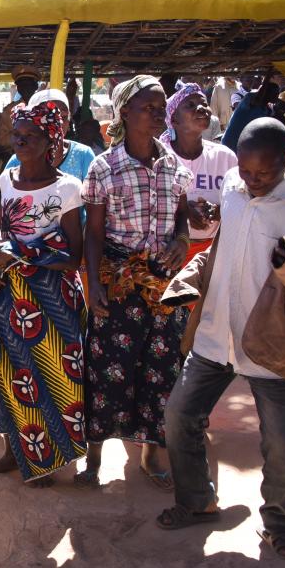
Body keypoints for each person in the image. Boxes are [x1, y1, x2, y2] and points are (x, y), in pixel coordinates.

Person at [157, 119, 285, 560]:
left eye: (262, 173)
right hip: (215, 333)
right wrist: (190, 278)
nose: (251, 180)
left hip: (273, 345)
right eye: (245, 170)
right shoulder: (233, 184)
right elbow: (222, 251)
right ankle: (196, 500)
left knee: (279, 445)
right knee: (179, 416)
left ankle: (278, 523)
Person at [79, 75, 193, 489]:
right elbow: (93, 233)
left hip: (163, 281)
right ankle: (95, 455)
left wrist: (181, 238)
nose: (158, 114)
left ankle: (150, 452)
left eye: (162, 107)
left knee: (162, 368)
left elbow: (181, 214)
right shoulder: (103, 167)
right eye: (149, 106)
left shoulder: (174, 165)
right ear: (125, 112)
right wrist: (94, 285)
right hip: (118, 278)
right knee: (109, 367)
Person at [0, 100, 87, 484]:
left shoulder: (69, 187)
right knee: (10, 375)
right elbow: (1, 230)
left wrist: (22, 252)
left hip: (52, 300)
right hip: (9, 295)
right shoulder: (7, 178)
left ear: (51, 139)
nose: (20, 142)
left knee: (53, 378)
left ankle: (46, 461)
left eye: (31, 136)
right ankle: (14, 453)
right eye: (16, 135)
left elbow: (73, 256)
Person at [161, 84, 237, 261]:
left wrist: (219, 211)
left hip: (216, 251)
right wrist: (184, 211)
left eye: (204, 103)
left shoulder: (225, 157)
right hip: (171, 251)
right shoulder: (161, 158)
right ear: (174, 120)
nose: (201, 108)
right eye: (190, 105)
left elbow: (242, 200)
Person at [0, 66, 41, 160]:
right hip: (17, 156)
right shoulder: (9, 110)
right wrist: (20, 138)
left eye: (29, 84)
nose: (25, 88)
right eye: (22, 85)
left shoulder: (44, 107)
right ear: (18, 88)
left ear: (35, 86)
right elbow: (1, 139)